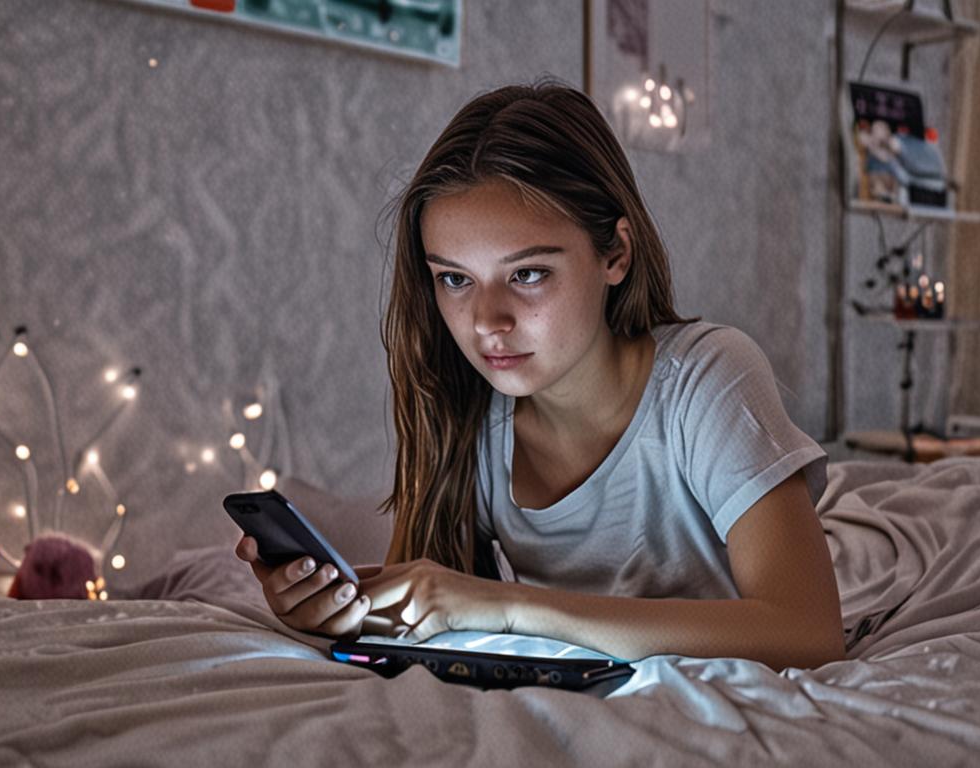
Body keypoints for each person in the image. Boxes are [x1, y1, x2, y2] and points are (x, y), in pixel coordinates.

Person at [236, 79, 845, 669]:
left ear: (616, 254)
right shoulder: (469, 410)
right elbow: (428, 609)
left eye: (527, 274)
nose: (487, 322)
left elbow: (809, 632)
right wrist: (335, 608)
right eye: (455, 279)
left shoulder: (706, 378)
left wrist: (508, 605)